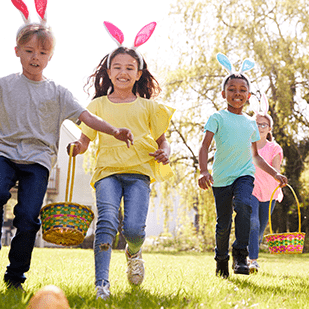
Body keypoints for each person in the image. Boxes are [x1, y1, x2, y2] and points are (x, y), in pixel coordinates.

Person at [0, 1, 133, 291]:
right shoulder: (4, 85)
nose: (36, 57)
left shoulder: (57, 92)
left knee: (27, 217)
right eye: (30, 51)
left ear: (50, 56)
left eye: (42, 52)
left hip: (37, 161)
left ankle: (15, 277)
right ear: (17, 52)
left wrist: (114, 130)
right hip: (4, 155)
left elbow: (86, 116)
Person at [67, 21, 175, 300]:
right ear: (108, 71)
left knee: (134, 229)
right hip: (107, 172)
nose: (123, 72)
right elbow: (85, 140)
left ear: (139, 73)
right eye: (117, 67)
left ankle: (134, 251)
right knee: (106, 222)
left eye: (129, 68)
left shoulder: (149, 107)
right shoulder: (97, 106)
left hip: (139, 172)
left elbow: (163, 140)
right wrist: (77, 148)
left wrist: (166, 151)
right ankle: (101, 284)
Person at [198, 53, 287, 278]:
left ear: (248, 95)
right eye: (232, 89)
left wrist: (275, 173)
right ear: (223, 94)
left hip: (244, 175)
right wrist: (203, 171)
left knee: (245, 207)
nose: (237, 93)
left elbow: (256, 157)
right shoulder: (217, 118)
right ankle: (221, 259)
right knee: (223, 224)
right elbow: (204, 146)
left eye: (241, 90)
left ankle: (241, 254)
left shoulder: (250, 123)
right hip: (221, 177)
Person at [248, 93, 284, 273]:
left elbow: (275, 170)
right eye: (257, 124)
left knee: (261, 227)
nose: (260, 127)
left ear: (269, 128)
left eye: (264, 125)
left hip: (269, 192)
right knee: (253, 222)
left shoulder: (274, 148)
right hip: (252, 190)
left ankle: (246, 250)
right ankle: (252, 260)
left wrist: (280, 180)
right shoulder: (247, 145)